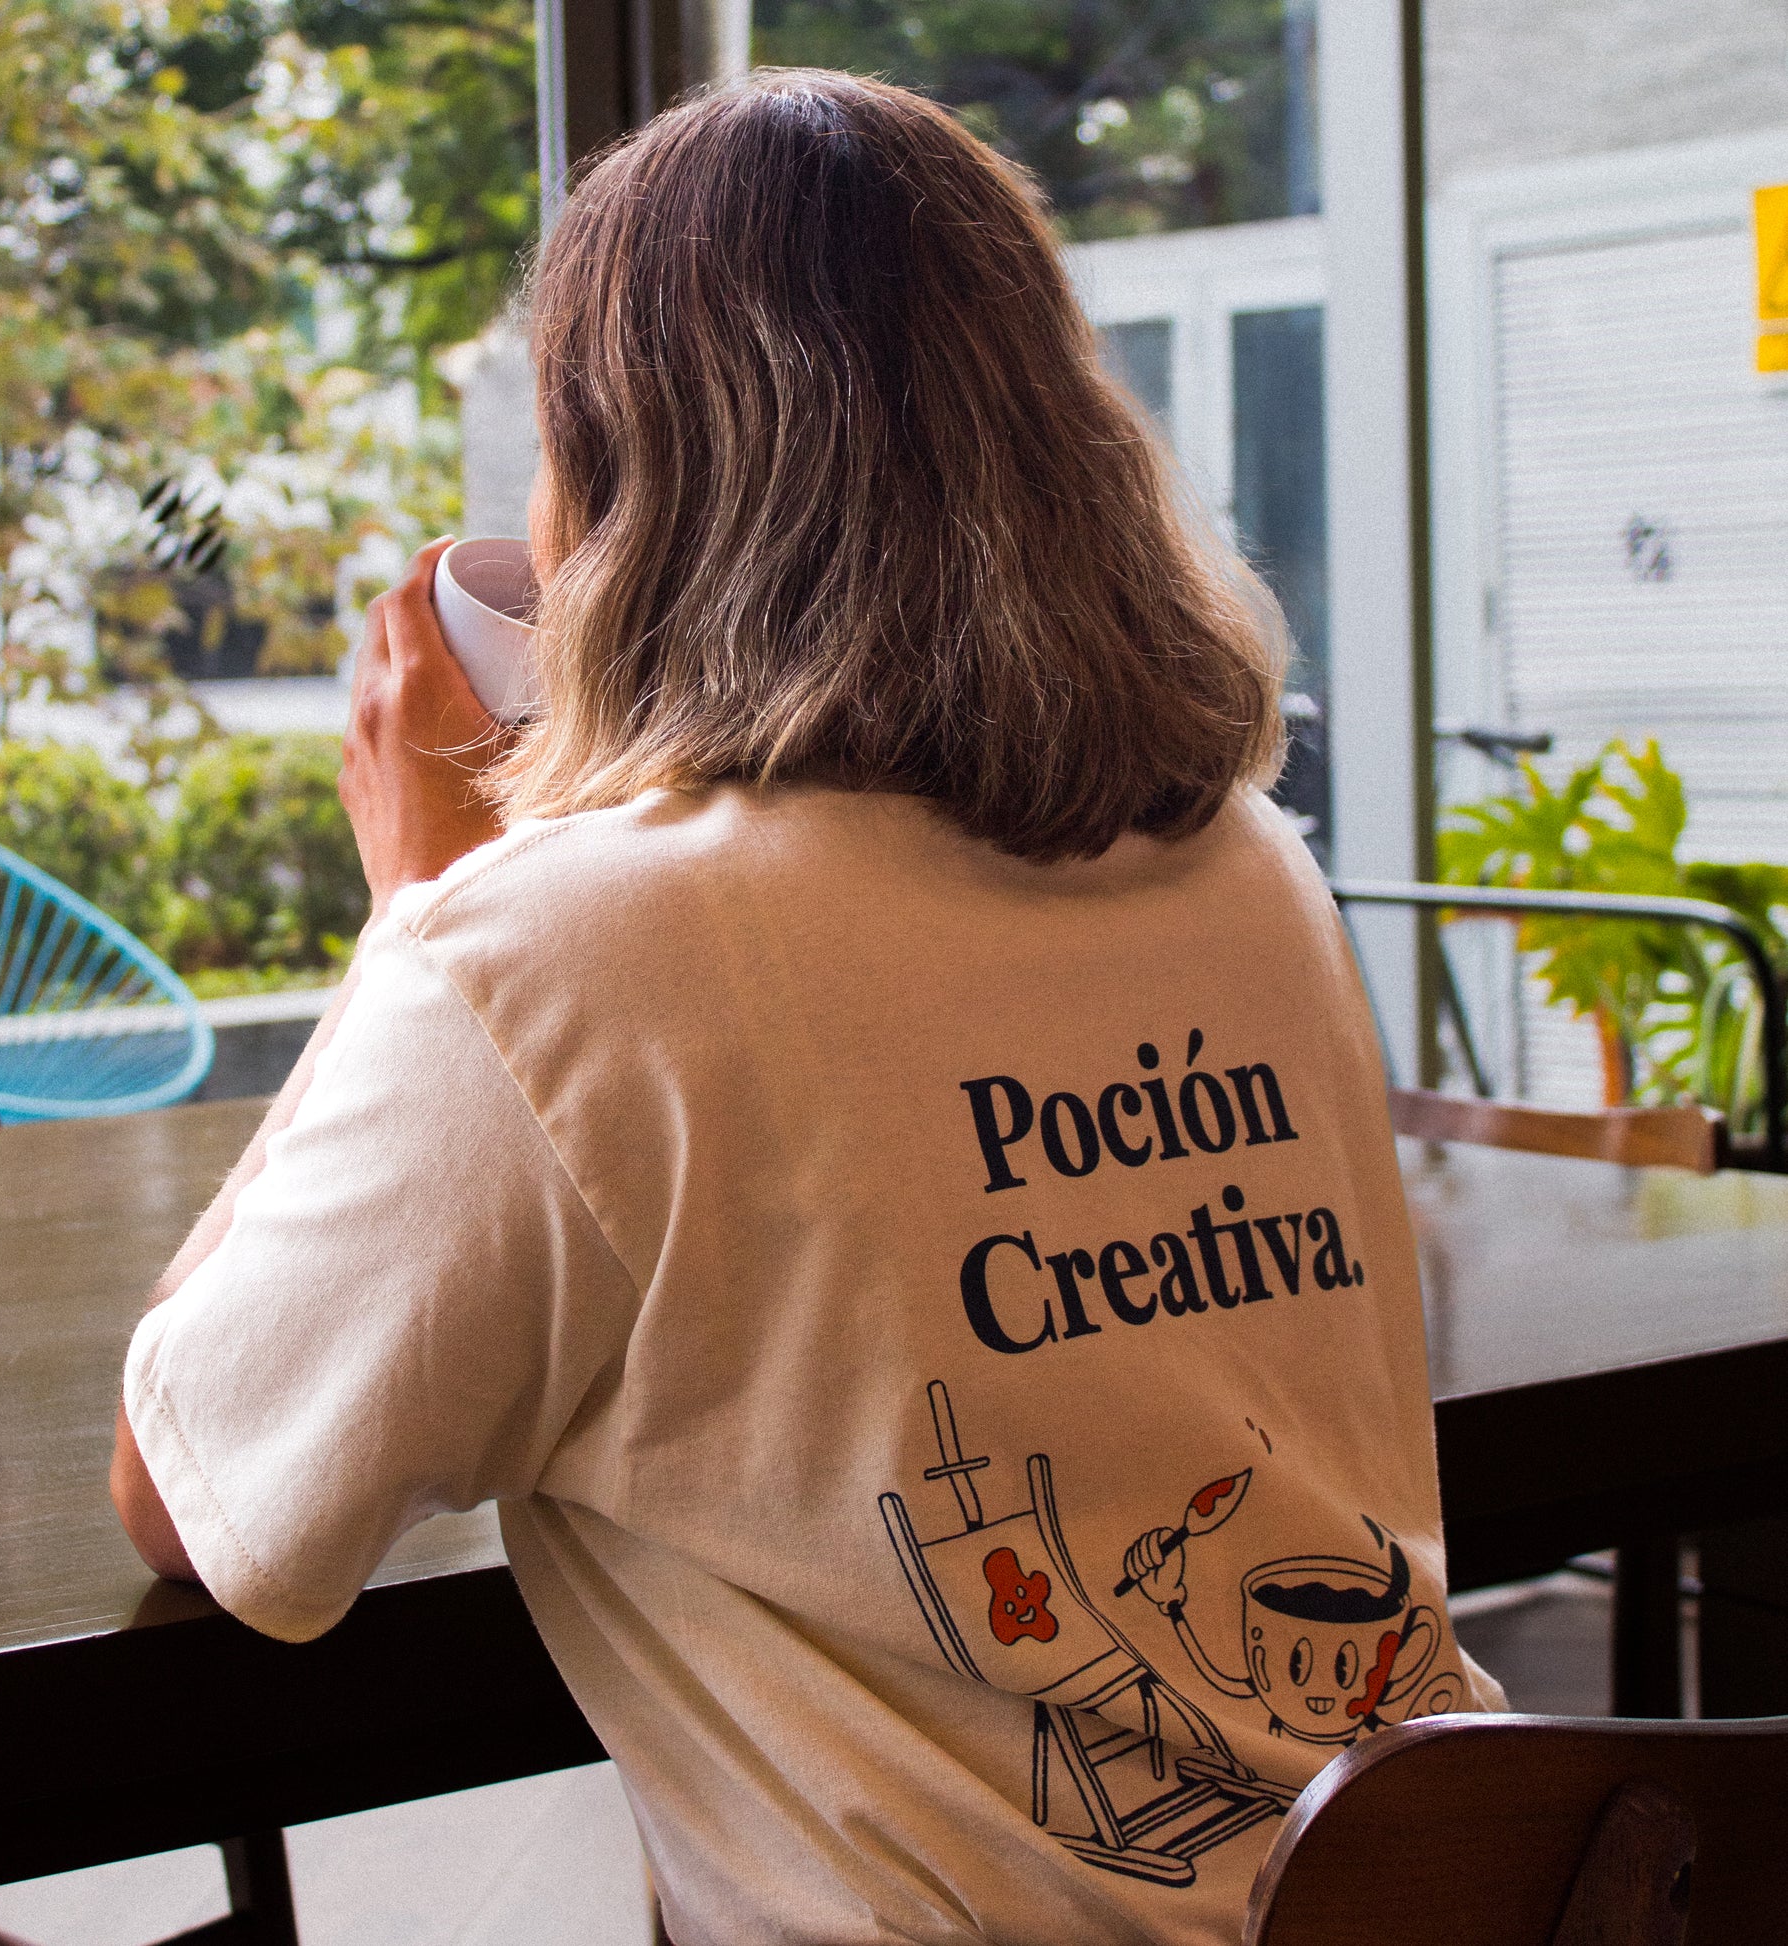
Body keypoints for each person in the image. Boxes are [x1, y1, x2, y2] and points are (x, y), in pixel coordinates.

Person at [111, 69, 1501, 1946]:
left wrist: (412, 910)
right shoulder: (1245, 862)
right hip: (1444, 1891)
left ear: (617, 496)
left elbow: (193, 1498)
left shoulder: (557, 956)